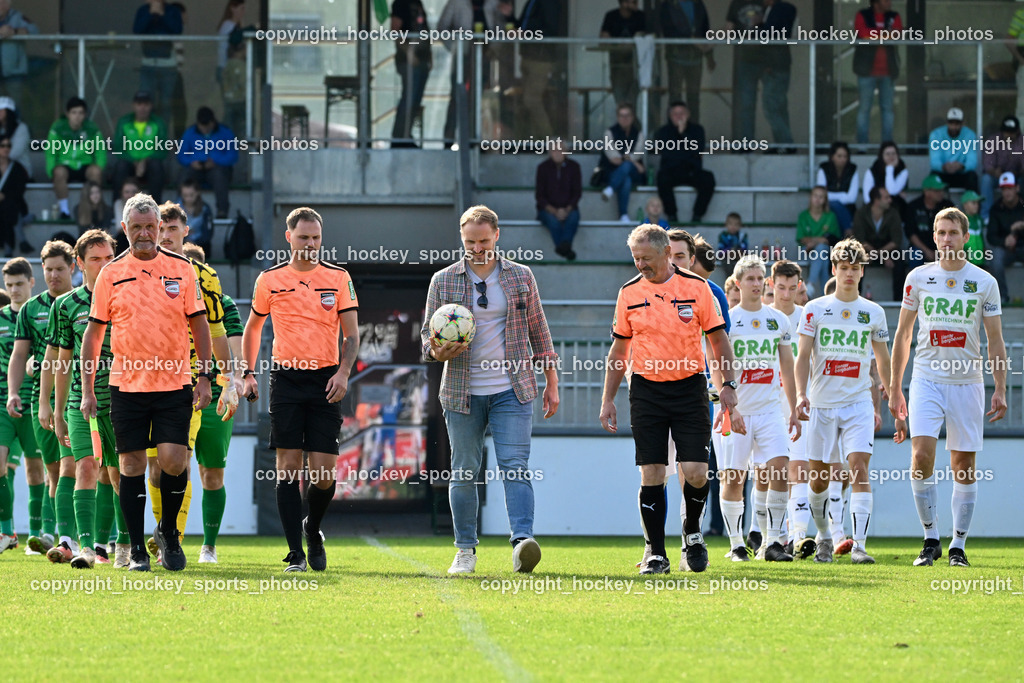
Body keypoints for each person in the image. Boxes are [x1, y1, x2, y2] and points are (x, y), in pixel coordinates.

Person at [421, 205, 558, 575]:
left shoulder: (521, 276)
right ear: (461, 239)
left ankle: (522, 543)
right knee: (464, 470)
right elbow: (426, 337)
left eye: (483, 241)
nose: (477, 248)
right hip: (461, 392)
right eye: (470, 242)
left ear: (497, 236)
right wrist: (436, 350)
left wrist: (552, 382)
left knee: (515, 466)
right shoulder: (443, 280)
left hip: (512, 389)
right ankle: (465, 550)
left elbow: (539, 331)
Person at [82, 193, 213, 572]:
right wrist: (88, 389)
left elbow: (200, 324)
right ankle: (138, 549)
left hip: (175, 383)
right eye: (136, 227)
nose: (144, 233)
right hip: (126, 386)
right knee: (131, 465)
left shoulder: (182, 269)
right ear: (124, 229)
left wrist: (205, 376)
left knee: (173, 461)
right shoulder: (111, 274)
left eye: (150, 227)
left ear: (159, 228)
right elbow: (94, 334)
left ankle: (169, 532)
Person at [602, 224, 738, 575]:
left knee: (696, 472)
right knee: (652, 473)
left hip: (690, 388)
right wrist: (608, 399)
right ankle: (656, 552)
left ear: (666, 253)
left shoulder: (697, 288)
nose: (640, 265)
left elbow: (718, 340)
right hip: (646, 390)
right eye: (636, 258)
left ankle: (692, 533)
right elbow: (619, 349)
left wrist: (727, 385)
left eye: (646, 258)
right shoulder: (629, 292)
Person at [242, 207, 359, 573]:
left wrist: (343, 373)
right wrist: (248, 373)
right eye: (304, 236)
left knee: (324, 474)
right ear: (288, 237)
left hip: (326, 380)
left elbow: (352, 335)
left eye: (316, 237)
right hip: (286, 380)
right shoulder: (270, 279)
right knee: (288, 467)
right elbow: (253, 328)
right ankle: (295, 553)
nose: (310, 243)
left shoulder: (338, 278)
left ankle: (313, 527)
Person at [889, 207, 1006, 568]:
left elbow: (995, 340)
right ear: (934, 237)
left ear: (966, 237)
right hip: (926, 379)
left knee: (963, 464)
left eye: (953, 232)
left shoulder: (984, 281)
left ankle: (958, 545)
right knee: (921, 455)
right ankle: (930, 539)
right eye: (940, 232)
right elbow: (903, 335)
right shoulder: (918, 277)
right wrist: (895, 387)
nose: (946, 239)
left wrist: (1000, 387)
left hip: (967, 382)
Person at [795, 237, 891, 565]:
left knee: (859, 468)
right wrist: (801, 394)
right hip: (822, 405)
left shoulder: (873, 312)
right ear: (834, 269)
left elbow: (882, 359)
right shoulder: (815, 309)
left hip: (858, 403)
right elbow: (802, 356)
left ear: (863, 271)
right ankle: (824, 536)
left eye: (855, 268)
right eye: (844, 267)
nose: (850, 273)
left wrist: (892, 391)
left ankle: (860, 546)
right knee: (818, 479)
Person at [152, 202, 235, 565]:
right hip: (146, 381)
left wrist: (229, 380)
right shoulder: (135, 270)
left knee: (191, 465)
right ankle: (149, 538)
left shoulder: (205, 277)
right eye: (161, 228)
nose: (166, 235)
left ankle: (183, 540)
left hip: (193, 383)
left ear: (186, 232)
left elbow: (219, 332)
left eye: (173, 228)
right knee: (151, 467)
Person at [714, 255, 799, 562]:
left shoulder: (778, 320)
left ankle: (773, 542)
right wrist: (726, 406)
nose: (756, 283)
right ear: (737, 283)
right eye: (749, 278)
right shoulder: (727, 320)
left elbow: (787, 367)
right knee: (733, 478)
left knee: (780, 469)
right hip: (738, 411)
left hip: (769, 411)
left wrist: (793, 409)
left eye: (759, 278)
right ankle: (737, 544)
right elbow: (716, 364)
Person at [48, 230, 119, 568]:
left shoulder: (128, 297)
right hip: (82, 401)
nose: (103, 265)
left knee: (120, 473)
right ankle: (86, 548)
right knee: (86, 466)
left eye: (109, 258)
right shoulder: (65, 305)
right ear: (79, 263)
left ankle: (125, 545)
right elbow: (62, 361)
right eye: (95, 259)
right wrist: (57, 410)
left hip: (122, 401)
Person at [185, 242, 241, 563]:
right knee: (174, 467)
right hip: (178, 391)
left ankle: (209, 545)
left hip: (215, 393)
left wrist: (236, 378)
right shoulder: (167, 298)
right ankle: (171, 535)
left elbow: (235, 341)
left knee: (211, 473)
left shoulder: (223, 303)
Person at [766, 259, 815, 558]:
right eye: (781, 287)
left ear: (799, 286)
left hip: (799, 401)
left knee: (799, 469)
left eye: (792, 287)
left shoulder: (808, 318)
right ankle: (772, 537)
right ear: (771, 285)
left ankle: (798, 536)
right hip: (768, 403)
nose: (786, 294)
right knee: (771, 472)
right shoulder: (763, 317)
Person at [0, 257, 39, 553]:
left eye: (19, 284)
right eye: (9, 285)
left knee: (36, 470)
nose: (14, 290)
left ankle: (37, 535)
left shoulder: (41, 313)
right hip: (3, 403)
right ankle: (6, 532)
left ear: (31, 283)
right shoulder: (0, 318)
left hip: (35, 401)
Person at [728, 0, 795, 149]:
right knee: (767, 105)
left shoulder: (784, 8)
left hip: (774, 65)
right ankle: (780, 144)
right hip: (758, 62)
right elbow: (730, 27)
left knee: (773, 105)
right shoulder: (767, 9)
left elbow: (775, 33)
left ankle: (785, 144)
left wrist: (759, 24)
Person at [437, 0, 504, 148]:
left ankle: (475, 139)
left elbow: (500, 28)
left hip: (485, 55)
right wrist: (456, 47)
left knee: (480, 98)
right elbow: (442, 28)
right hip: (463, 54)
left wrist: (494, 49)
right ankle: (449, 139)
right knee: (457, 95)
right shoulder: (456, 2)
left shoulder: (493, 3)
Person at [45, 97, 106, 222]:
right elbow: (50, 153)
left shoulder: (92, 128)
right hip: (65, 165)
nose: (77, 116)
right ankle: (64, 211)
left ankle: (94, 209)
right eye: (74, 112)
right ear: (67, 114)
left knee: (95, 171)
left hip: (85, 165)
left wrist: (100, 168)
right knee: (58, 172)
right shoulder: (57, 128)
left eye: (81, 113)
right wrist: (51, 172)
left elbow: (100, 152)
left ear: (85, 114)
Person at [653, 101, 715, 224]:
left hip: (692, 171)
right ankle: (672, 215)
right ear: (670, 116)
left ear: (688, 115)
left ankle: (697, 215)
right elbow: (667, 153)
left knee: (708, 178)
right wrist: (686, 154)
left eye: (682, 113)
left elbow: (698, 150)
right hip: (671, 171)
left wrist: (683, 134)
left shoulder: (697, 130)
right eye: (675, 114)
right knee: (662, 178)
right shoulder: (663, 132)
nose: (679, 117)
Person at [853, 0, 901, 145]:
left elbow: (897, 34)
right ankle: (862, 146)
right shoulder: (862, 15)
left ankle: (887, 146)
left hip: (888, 71)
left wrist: (874, 36)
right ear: (876, 2)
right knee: (864, 109)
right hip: (866, 71)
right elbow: (863, 34)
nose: (890, 2)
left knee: (887, 110)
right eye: (886, 0)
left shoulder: (894, 16)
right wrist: (885, 35)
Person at [177, 107, 238, 219]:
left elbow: (233, 155)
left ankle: (222, 211)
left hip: (217, 168)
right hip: (196, 169)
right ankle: (178, 210)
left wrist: (216, 161)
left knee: (220, 176)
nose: (204, 128)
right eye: (202, 125)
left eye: (207, 125)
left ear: (213, 122)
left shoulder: (225, 132)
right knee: (184, 175)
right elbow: (181, 155)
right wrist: (192, 162)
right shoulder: (190, 133)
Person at [658, 0, 712, 122]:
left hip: (696, 58)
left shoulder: (698, 3)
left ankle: (693, 129)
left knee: (694, 97)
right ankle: (673, 130)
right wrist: (691, 39)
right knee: (675, 96)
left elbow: (705, 29)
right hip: (676, 57)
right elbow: (668, 31)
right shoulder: (668, 5)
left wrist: (709, 54)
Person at [515, 0, 562, 140]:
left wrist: (526, 33)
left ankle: (549, 141)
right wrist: (509, 16)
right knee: (526, 102)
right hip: (527, 55)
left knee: (532, 100)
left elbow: (551, 30)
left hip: (541, 59)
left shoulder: (549, 3)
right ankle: (532, 140)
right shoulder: (532, 2)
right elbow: (523, 25)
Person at [133, 1, 183, 127]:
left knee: (166, 104)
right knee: (146, 102)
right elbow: (137, 30)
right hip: (148, 64)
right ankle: (147, 134)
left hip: (168, 65)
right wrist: (150, 14)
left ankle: (162, 134)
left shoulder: (172, 11)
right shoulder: (143, 10)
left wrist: (162, 14)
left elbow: (177, 30)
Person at [112, 92, 168, 204]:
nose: (142, 108)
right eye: (139, 104)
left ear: (151, 106)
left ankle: (156, 206)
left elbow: (163, 150)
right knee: (120, 167)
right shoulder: (124, 122)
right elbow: (118, 149)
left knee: (156, 166)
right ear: (134, 106)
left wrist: (145, 160)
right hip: (130, 165)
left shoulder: (158, 123)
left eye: (146, 104)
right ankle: (117, 205)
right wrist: (134, 161)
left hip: (149, 165)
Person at [391, 0, 433, 147]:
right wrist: (409, 53)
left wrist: (429, 57)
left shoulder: (418, 3)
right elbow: (395, 30)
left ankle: (406, 135)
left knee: (415, 100)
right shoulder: (400, 4)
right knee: (409, 98)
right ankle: (399, 138)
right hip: (408, 61)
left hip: (422, 59)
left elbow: (425, 31)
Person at [852, 186, 904, 300]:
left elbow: (896, 240)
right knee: (856, 258)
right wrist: (876, 255)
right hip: (866, 250)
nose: (890, 200)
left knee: (900, 258)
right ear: (877, 200)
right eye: (886, 198)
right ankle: (854, 297)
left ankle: (899, 300)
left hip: (888, 250)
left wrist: (879, 254)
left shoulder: (893, 213)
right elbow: (859, 240)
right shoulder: (861, 213)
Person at [598, 103, 646, 223]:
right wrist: (631, 161)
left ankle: (610, 188)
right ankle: (623, 215)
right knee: (626, 179)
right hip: (612, 171)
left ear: (632, 117)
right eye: (621, 115)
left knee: (627, 165)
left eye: (627, 115)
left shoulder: (639, 134)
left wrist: (625, 159)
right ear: (617, 117)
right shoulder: (609, 133)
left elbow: (638, 153)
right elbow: (613, 157)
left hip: (634, 173)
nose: (625, 118)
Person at [535, 139, 581, 260]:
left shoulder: (574, 167)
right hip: (547, 210)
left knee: (573, 218)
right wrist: (555, 211)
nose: (557, 153)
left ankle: (562, 247)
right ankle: (566, 248)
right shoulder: (542, 168)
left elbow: (577, 193)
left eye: (561, 150)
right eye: (554, 150)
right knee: (553, 222)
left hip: (569, 208)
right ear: (550, 152)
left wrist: (566, 210)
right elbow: (539, 196)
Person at [599, 0, 647, 110]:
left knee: (632, 96)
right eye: (630, 1)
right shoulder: (611, 16)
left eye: (635, 2)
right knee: (619, 94)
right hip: (617, 60)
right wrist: (616, 44)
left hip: (634, 61)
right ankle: (624, 115)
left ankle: (631, 116)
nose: (633, 4)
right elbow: (603, 38)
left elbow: (645, 37)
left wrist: (633, 43)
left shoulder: (640, 16)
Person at [986, 171, 1024, 304]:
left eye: (1010, 188)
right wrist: (1004, 241)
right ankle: (1002, 296)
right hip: (1006, 249)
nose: (1007, 192)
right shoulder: (996, 208)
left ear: (1017, 188)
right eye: (1004, 189)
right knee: (995, 258)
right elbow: (991, 236)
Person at [902, 173, 953, 270]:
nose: (941, 193)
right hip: (920, 247)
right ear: (926, 192)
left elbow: (953, 230)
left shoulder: (948, 206)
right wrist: (926, 251)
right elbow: (910, 233)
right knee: (915, 254)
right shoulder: (913, 207)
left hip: (943, 247)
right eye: (937, 190)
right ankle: (915, 280)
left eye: (942, 190)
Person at [797, 186, 840, 299]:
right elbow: (801, 238)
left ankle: (811, 284)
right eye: (815, 196)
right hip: (806, 250)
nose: (817, 199)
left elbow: (831, 239)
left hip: (824, 250)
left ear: (825, 200)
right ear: (810, 197)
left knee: (821, 250)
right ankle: (826, 296)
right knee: (822, 256)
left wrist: (814, 242)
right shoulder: (803, 216)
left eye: (821, 197)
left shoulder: (830, 216)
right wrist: (817, 241)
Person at [981, 116, 1024, 224]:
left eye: (1012, 132)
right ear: (1002, 131)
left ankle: (1021, 214)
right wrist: (994, 172)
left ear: (1017, 131)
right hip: (997, 176)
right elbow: (987, 164)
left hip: (1016, 177)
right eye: (1007, 132)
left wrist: (1017, 173)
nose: (1009, 135)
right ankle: (987, 217)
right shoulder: (993, 140)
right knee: (986, 179)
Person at [929, 108, 979, 192]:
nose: (954, 127)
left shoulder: (970, 135)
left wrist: (961, 166)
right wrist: (944, 167)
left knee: (972, 177)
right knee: (933, 177)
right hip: (943, 172)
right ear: (947, 123)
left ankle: (971, 201)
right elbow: (934, 161)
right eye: (951, 123)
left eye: (957, 123)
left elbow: (972, 160)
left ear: (962, 123)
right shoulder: (936, 134)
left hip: (961, 173)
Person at [817, 141, 858, 234]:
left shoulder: (852, 169)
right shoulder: (824, 169)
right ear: (832, 157)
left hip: (848, 208)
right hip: (827, 207)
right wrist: (843, 195)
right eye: (839, 156)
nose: (842, 159)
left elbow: (852, 198)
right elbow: (821, 194)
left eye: (845, 156)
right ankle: (848, 231)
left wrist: (831, 196)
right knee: (835, 206)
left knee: (837, 207)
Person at [0, 1, 38, 102]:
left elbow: (34, 31)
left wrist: (14, 32)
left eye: (2, 2)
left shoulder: (17, 17)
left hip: (14, 74)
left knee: (15, 106)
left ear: (8, 5)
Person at [0, 134, 28, 257]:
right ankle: (19, 241)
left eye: (8, 146)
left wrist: (4, 196)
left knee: (7, 207)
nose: (6, 148)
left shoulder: (17, 168)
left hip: (13, 204)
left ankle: (8, 246)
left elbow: (19, 190)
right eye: (2, 145)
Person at [861, 141, 908, 210]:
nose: (891, 156)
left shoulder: (902, 170)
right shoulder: (872, 170)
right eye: (887, 154)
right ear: (882, 156)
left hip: (895, 206)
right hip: (875, 206)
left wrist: (890, 168)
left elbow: (891, 191)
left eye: (893, 153)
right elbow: (867, 196)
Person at [174, 179, 215, 256]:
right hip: (181, 243)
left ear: (197, 193)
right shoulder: (175, 208)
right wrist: (185, 239)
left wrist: (195, 243)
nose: (188, 199)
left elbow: (208, 233)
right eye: (185, 195)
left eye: (191, 195)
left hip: (201, 245)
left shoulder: (205, 209)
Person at [0, 96, 30, 177]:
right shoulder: (1, 129)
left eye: (1, 109)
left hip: (19, 169)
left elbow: (15, 153)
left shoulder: (21, 128)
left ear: (8, 111)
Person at [112, 178, 142, 253]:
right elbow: (120, 228)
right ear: (122, 193)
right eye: (127, 192)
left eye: (134, 192)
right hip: (125, 237)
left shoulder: (146, 204)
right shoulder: (118, 204)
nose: (130, 195)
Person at [960, 190, 987, 268]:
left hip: (981, 260)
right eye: (973, 203)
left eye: (978, 203)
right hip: (967, 262)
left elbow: (982, 237)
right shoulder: (961, 221)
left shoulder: (979, 219)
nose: (977, 205)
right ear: (965, 205)